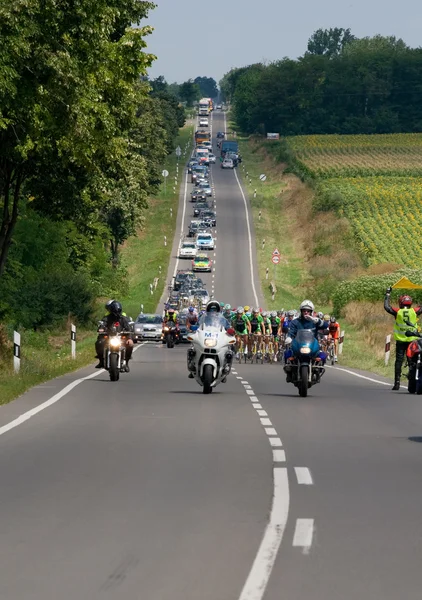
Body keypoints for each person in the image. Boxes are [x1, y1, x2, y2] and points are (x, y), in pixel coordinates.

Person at [384, 287, 422, 390]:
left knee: (399, 361)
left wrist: (387, 294)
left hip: (401, 340)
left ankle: (397, 383)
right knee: (413, 361)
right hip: (412, 340)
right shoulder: (414, 311)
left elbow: (387, 307)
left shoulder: (398, 312)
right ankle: (413, 380)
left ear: (401, 303)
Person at [95, 300, 133, 370]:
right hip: (109, 336)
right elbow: (103, 323)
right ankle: (101, 361)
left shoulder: (123, 318)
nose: (116, 314)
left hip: (121, 337)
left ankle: (126, 363)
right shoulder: (107, 317)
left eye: (118, 311)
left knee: (130, 344)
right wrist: (101, 328)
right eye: (115, 311)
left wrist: (129, 336)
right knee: (99, 343)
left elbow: (129, 327)